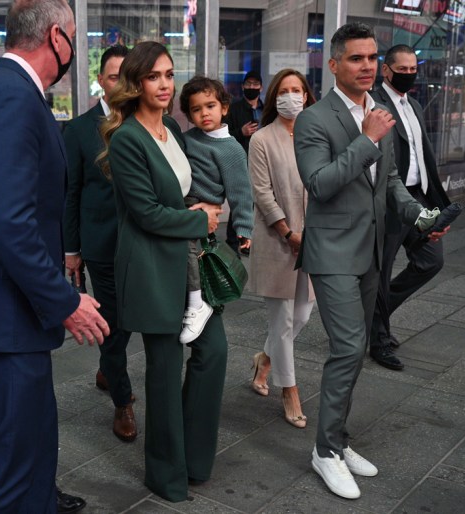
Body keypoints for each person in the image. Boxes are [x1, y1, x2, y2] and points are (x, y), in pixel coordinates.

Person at [0, 0, 109, 512]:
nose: (76, 49)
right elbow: (10, 221)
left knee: (33, 439)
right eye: (75, 38)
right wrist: (64, 299)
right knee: (16, 456)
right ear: (57, 38)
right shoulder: (11, 98)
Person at [294, 23, 443, 500]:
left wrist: (421, 217)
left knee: (355, 351)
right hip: (333, 251)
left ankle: (337, 438)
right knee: (347, 346)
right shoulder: (315, 119)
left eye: (371, 57)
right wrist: (367, 138)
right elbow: (319, 184)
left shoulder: (379, 113)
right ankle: (324, 451)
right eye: (355, 58)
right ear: (334, 63)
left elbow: (392, 182)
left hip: (372, 248)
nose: (366, 66)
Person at [100, 41, 226, 503]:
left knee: (214, 354)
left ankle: (194, 459)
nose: (165, 84)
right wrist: (200, 218)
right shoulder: (127, 138)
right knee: (164, 370)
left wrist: (196, 211)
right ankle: (166, 473)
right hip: (152, 268)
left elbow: (176, 192)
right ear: (135, 82)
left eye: (169, 75)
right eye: (154, 76)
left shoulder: (172, 126)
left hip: (188, 264)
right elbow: (147, 213)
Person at [62, 44, 138, 442]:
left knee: (133, 321)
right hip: (102, 245)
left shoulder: (152, 123)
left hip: (146, 246)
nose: (120, 83)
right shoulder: (77, 130)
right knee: (112, 323)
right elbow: (70, 193)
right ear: (101, 82)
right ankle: (123, 401)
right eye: (113, 76)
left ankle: (109, 368)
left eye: (127, 75)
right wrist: (71, 250)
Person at [368, 44, 451, 371]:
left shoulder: (414, 104)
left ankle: (378, 315)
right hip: (390, 201)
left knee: (431, 261)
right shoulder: (374, 103)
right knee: (381, 269)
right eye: (402, 69)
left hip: (419, 198)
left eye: (413, 69)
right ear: (386, 70)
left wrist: (438, 204)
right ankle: (378, 341)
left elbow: (424, 156)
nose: (409, 74)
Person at [247, 68, 316, 429]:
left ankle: (265, 361)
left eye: (298, 90)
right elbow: (262, 194)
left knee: (303, 315)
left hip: (314, 240)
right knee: (284, 319)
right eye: (285, 90)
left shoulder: (315, 135)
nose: (292, 96)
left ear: (307, 95)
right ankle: (289, 389)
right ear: (275, 97)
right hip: (279, 240)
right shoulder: (262, 139)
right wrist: (287, 232)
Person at [177, 75, 254, 344]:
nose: (204, 113)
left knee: (190, 249)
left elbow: (241, 192)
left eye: (210, 106)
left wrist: (245, 229)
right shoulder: (186, 139)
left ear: (224, 107)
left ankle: (197, 302)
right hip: (180, 200)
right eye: (196, 109)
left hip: (200, 204)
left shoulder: (231, 149)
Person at [225, 70, 263, 253]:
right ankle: (233, 242)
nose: (252, 87)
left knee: (257, 202)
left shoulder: (265, 108)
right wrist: (241, 132)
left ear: (261, 87)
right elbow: (224, 134)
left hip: (261, 161)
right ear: (242, 86)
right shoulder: (234, 108)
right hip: (240, 159)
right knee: (240, 200)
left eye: (255, 84)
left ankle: (248, 241)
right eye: (248, 84)